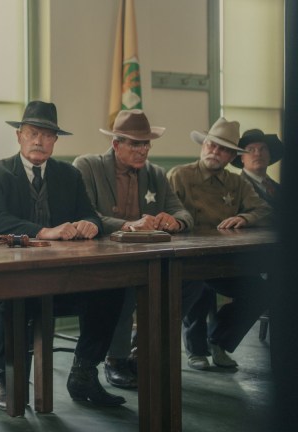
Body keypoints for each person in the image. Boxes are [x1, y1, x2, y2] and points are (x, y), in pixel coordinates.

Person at [0, 100, 126, 410]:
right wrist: (43, 231)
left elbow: (91, 214)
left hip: (61, 281)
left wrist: (90, 223)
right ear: (19, 135)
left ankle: (84, 373)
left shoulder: (69, 175)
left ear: (55, 141)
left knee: (111, 289)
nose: (39, 141)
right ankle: (3, 379)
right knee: (14, 293)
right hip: (12, 278)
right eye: (32, 133)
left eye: (47, 136)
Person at [73, 109, 196, 389]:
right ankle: (115, 359)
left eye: (147, 144)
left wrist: (175, 221)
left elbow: (184, 213)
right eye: (135, 144)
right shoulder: (88, 166)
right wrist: (130, 225)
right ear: (116, 144)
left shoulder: (156, 174)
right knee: (126, 284)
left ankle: (142, 352)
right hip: (100, 257)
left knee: (191, 282)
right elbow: (88, 214)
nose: (143, 150)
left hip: (147, 256)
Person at [167, 117, 272, 370]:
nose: (215, 152)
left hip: (226, 259)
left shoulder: (237, 182)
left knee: (260, 290)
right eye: (212, 145)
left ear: (231, 156)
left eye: (223, 149)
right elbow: (165, 213)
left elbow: (265, 210)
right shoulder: (179, 176)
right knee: (196, 287)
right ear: (203, 145)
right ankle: (196, 350)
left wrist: (244, 217)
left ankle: (219, 341)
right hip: (187, 258)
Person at [231, 128, 284, 209]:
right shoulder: (235, 190)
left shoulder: (281, 188)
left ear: (269, 155)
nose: (258, 153)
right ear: (242, 157)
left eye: (263, 149)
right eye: (251, 149)